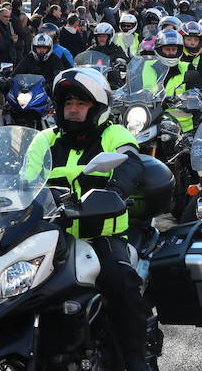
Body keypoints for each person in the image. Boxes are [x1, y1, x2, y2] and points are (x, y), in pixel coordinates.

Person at [40, 68, 149, 371]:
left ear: (97, 108)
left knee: (120, 284)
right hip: (51, 237)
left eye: (81, 104)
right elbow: (21, 178)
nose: (73, 110)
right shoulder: (45, 140)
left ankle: (135, 359)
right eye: (68, 104)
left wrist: (114, 190)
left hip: (101, 237)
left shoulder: (114, 134)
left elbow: (131, 164)